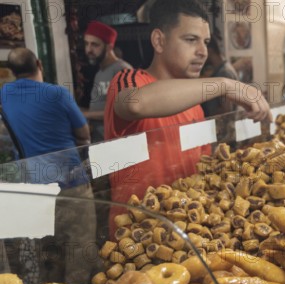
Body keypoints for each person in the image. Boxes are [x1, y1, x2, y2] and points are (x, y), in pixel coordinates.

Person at [104, 0, 271, 231]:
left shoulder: (194, 105)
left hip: (186, 230)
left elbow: (203, 168)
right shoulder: (128, 80)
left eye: (206, 42)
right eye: (191, 40)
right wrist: (224, 84)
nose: (202, 52)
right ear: (159, 41)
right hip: (136, 234)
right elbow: (135, 104)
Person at [1, 47, 97, 284]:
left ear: (12, 72)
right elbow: (83, 133)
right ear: (39, 64)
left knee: (47, 250)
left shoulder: (4, 93)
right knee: (79, 247)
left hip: (33, 187)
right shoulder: (57, 94)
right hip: (70, 184)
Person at [82, 21, 132, 143]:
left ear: (109, 47)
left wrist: (86, 114)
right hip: (100, 141)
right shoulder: (99, 73)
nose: (89, 49)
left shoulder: (123, 70)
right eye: (86, 44)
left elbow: (127, 111)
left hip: (118, 144)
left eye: (95, 45)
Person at [202, 37, 239, 117]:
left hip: (222, 127)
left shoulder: (224, 73)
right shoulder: (223, 70)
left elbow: (226, 110)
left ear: (210, 50)